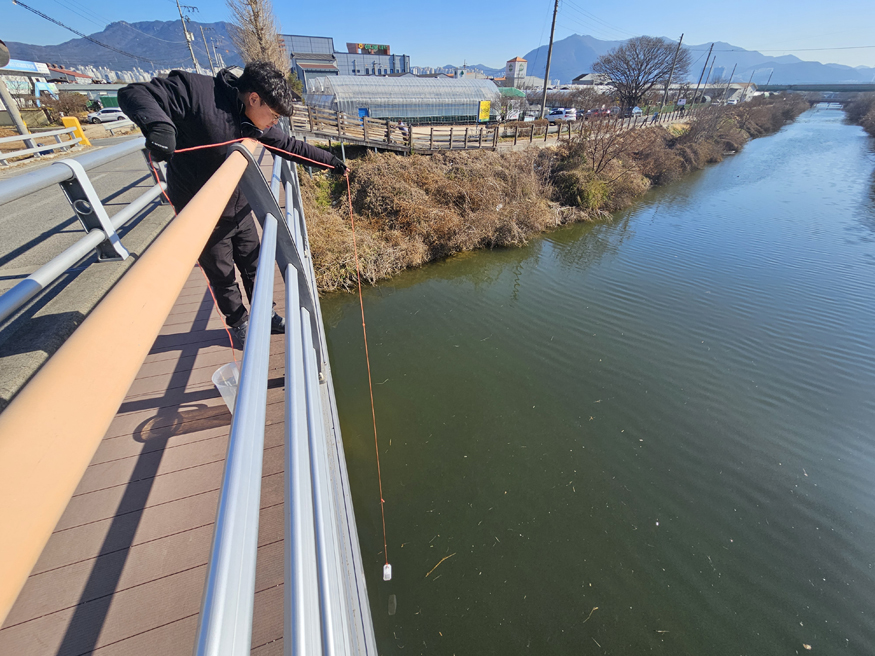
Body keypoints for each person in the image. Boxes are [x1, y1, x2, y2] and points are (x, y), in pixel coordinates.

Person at [118, 61, 346, 346]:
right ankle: (239, 323)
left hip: (240, 205)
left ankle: (267, 315)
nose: (273, 123)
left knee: (254, 264)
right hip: (202, 212)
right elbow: (134, 93)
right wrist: (160, 126)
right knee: (222, 272)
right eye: (273, 115)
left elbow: (291, 147)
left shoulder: (256, 122)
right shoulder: (196, 91)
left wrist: (334, 164)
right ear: (254, 98)